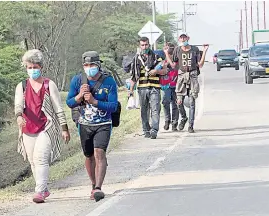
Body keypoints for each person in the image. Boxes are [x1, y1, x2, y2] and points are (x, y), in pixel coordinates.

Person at [14, 49, 71, 203]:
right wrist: (19, 117)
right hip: (27, 128)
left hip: (46, 126)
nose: (32, 70)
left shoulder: (48, 84)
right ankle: (43, 188)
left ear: (41, 67)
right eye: (29, 67)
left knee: (41, 158)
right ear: (26, 68)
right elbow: (18, 104)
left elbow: (58, 108)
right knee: (33, 160)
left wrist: (64, 128)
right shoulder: (22, 86)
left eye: (35, 67)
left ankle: (39, 191)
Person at [66, 51, 118, 201]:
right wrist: (79, 96)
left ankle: (98, 188)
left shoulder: (109, 82)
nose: (90, 68)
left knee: (99, 152)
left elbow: (113, 106)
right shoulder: (77, 81)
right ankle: (93, 183)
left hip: (103, 124)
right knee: (89, 156)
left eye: (92, 65)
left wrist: (95, 101)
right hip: (84, 124)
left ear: (98, 65)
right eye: (86, 65)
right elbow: (69, 103)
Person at [164, 33, 209, 133]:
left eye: (185, 38)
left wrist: (205, 51)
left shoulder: (194, 49)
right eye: (181, 38)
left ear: (188, 38)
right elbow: (172, 65)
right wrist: (167, 53)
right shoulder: (177, 50)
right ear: (179, 40)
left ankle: (191, 126)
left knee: (192, 102)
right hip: (181, 77)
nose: (183, 40)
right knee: (179, 101)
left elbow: (200, 65)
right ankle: (184, 117)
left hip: (192, 76)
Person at [129, 37, 168, 139]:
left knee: (155, 109)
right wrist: (131, 91)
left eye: (146, 44)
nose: (144, 47)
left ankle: (154, 130)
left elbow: (165, 71)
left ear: (149, 44)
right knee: (144, 110)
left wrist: (156, 71)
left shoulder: (156, 57)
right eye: (142, 45)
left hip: (155, 87)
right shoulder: (137, 59)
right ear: (139, 46)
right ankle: (146, 130)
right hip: (142, 88)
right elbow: (134, 76)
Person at [160, 43, 179, 131]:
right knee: (165, 102)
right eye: (166, 48)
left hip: (176, 84)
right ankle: (167, 120)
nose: (167, 50)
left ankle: (174, 123)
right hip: (166, 84)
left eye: (169, 48)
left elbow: (173, 66)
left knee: (175, 104)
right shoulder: (162, 59)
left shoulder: (176, 58)